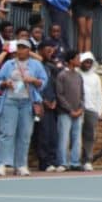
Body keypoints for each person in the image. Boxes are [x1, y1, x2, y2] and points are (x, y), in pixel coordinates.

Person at [0, 39, 47, 176]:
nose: (20, 50)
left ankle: (21, 164)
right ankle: (3, 164)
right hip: (10, 100)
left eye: (23, 48)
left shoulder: (36, 65)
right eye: (19, 47)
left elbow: (44, 82)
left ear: (29, 50)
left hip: (27, 102)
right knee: (7, 133)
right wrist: (5, 83)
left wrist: (33, 80)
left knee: (25, 134)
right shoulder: (8, 64)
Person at [56, 50, 85, 172]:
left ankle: (75, 162)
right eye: (77, 58)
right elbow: (60, 95)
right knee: (64, 138)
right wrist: (70, 110)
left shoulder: (79, 76)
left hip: (78, 112)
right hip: (65, 113)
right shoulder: (62, 75)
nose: (79, 61)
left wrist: (80, 109)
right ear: (71, 60)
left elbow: (82, 94)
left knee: (77, 138)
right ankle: (63, 162)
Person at [35, 39, 60, 172]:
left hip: (52, 104)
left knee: (53, 135)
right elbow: (36, 86)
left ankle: (53, 161)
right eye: (47, 50)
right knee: (43, 135)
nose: (51, 52)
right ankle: (44, 163)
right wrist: (43, 100)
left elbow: (53, 86)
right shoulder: (36, 65)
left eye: (52, 50)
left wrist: (54, 100)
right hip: (41, 104)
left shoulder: (50, 67)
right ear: (39, 51)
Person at [79, 51, 102, 172]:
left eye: (89, 62)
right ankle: (73, 160)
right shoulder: (77, 74)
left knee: (89, 136)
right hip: (78, 109)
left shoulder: (96, 77)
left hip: (92, 109)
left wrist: (99, 110)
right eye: (85, 62)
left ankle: (87, 160)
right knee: (75, 136)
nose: (87, 64)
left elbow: (99, 95)